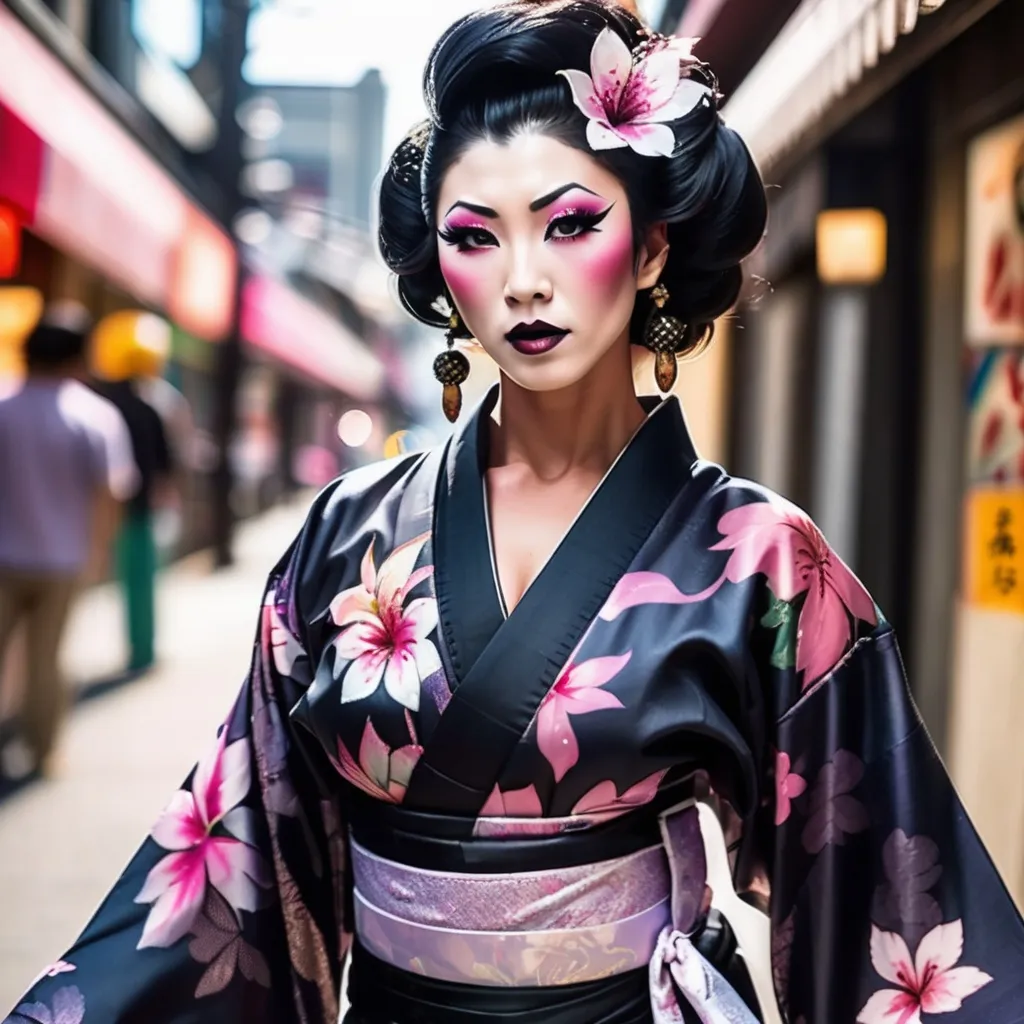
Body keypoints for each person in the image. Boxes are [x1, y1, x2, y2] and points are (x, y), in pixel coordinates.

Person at [6, 3, 1024, 1022]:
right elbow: (241, 860)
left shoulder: (760, 561)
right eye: (475, 237)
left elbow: (881, 880)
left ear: (654, 246)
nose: (524, 281)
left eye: (570, 223)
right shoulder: (346, 537)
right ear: (442, 272)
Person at [0, 304, 138, 780]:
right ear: (78, 356)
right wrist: (99, 553)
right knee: (47, 659)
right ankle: (42, 752)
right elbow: (109, 495)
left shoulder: (4, 406)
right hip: (62, 558)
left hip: (4, 555)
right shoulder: (94, 416)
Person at [92, 375, 175, 673]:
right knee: (142, 581)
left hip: (103, 509)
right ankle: (143, 649)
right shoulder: (148, 409)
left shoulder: (102, 408)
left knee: (124, 580)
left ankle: (138, 649)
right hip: (139, 508)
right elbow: (165, 462)